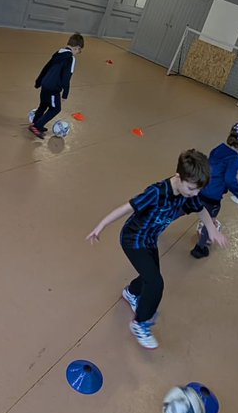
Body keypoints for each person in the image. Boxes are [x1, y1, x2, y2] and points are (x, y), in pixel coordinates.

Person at [86, 149, 227, 349]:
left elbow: (201, 209)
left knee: (149, 276)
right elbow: (127, 207)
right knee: (156, 283)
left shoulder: (188, 194)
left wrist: (212, 230)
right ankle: (140, 323)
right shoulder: (157, 192)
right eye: (191, 189)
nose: (194, 194)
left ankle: (131, 293)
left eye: (197, 190)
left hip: (150, 239)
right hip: (133, 239)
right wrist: (101, 225)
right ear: (179, 177)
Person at [191, 122, 238, 259]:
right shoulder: (234, 159)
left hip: (201, 188)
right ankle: (199, 248)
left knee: (184, 208)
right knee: (209, 221)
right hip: (213, 197)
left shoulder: (218, 148)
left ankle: (156, 225)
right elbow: (230, 180)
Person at [29, 33, 84, 138]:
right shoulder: (70, 58)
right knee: (55, 109)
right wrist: (65, 94)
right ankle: (36, 126)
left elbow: (46, 67)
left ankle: (35, 124)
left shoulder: (58, 53)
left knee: (43, 105)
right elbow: (67, 77)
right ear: (77, 48)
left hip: (45, 84)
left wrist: (39, 81)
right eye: (79, 51)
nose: (77, 53)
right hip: (53, 88)